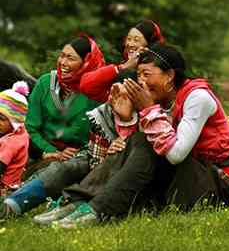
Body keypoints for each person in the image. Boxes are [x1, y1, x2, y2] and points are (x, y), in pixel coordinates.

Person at [48, 44, 229, 228]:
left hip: (216, 183)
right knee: (138, 141)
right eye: (138, 74)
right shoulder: (162, 100)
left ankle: (98, 209)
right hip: (182, 179)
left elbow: (176, 155)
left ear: (169, 76)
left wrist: (148, 110)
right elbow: (144, 155)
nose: (140, 80)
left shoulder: (197, 97)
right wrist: (126, 121)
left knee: (145, 142)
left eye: (146, 74)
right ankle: (78, 202)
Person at [1, 70, 138, 223]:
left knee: (72, 164)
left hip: (118, 174)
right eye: (113, 93)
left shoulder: (143, 116)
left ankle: (74, 204)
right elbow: (95, 159)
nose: (115, 99)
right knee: (62, 168)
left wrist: (125, 128)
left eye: (123, 95)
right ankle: (12, 205)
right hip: (88, 159)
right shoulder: (102, 114)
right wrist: (49, 151)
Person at [24, 36, 104, 173]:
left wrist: (76, 153)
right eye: (62, 56)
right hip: (41, 154)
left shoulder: (97, 92)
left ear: (86, 63)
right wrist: (50, 151)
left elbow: (102, 135)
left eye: (71, 58)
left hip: (80, 160)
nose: (63, 62)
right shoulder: (45, 83)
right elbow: (30, 127)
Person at [79, 19, 165, 103]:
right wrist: (121, 68)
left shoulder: (157, 71)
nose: (130, 44)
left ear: (149, 45)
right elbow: (85, 85)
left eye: (136, 40)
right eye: (129, 39)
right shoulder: (121, 68)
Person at [0, 82, 30, 195]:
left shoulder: (11, 143)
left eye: (1, 119)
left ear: (14, 122)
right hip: (12, 184)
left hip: (4, 188)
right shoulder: (21, 134)